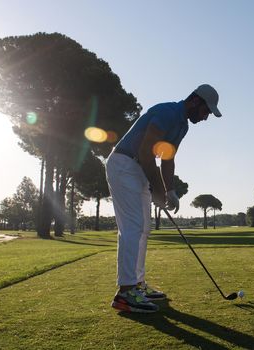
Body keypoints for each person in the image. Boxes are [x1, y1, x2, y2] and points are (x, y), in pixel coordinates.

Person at [106, 84, 222, 313]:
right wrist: (158, 189)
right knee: (132, 227)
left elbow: (167, 159)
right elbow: (146, 151)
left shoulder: (182, 126)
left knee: (144, 228)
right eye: (206, 111)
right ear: (196, 102)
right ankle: (125, 292)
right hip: (124, 164)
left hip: (138, 170)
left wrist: (170, 191)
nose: (206, 117)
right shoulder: (168, 112)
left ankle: (137, 284)